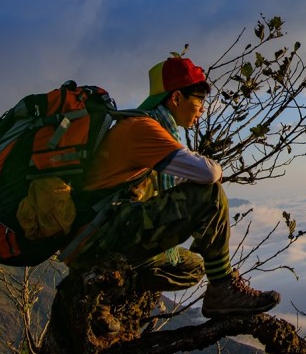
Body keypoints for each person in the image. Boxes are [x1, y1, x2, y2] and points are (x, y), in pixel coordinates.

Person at [65, 55, 280, 324]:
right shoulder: (142, 128)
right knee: (208, 193)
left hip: (107, 234)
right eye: (198, 99)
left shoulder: (145, 126)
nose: (202, 108)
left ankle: (111, 286)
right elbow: (209, 173)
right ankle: (223, 288)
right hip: (99, 234)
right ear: (176, 98)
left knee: (192, 267)